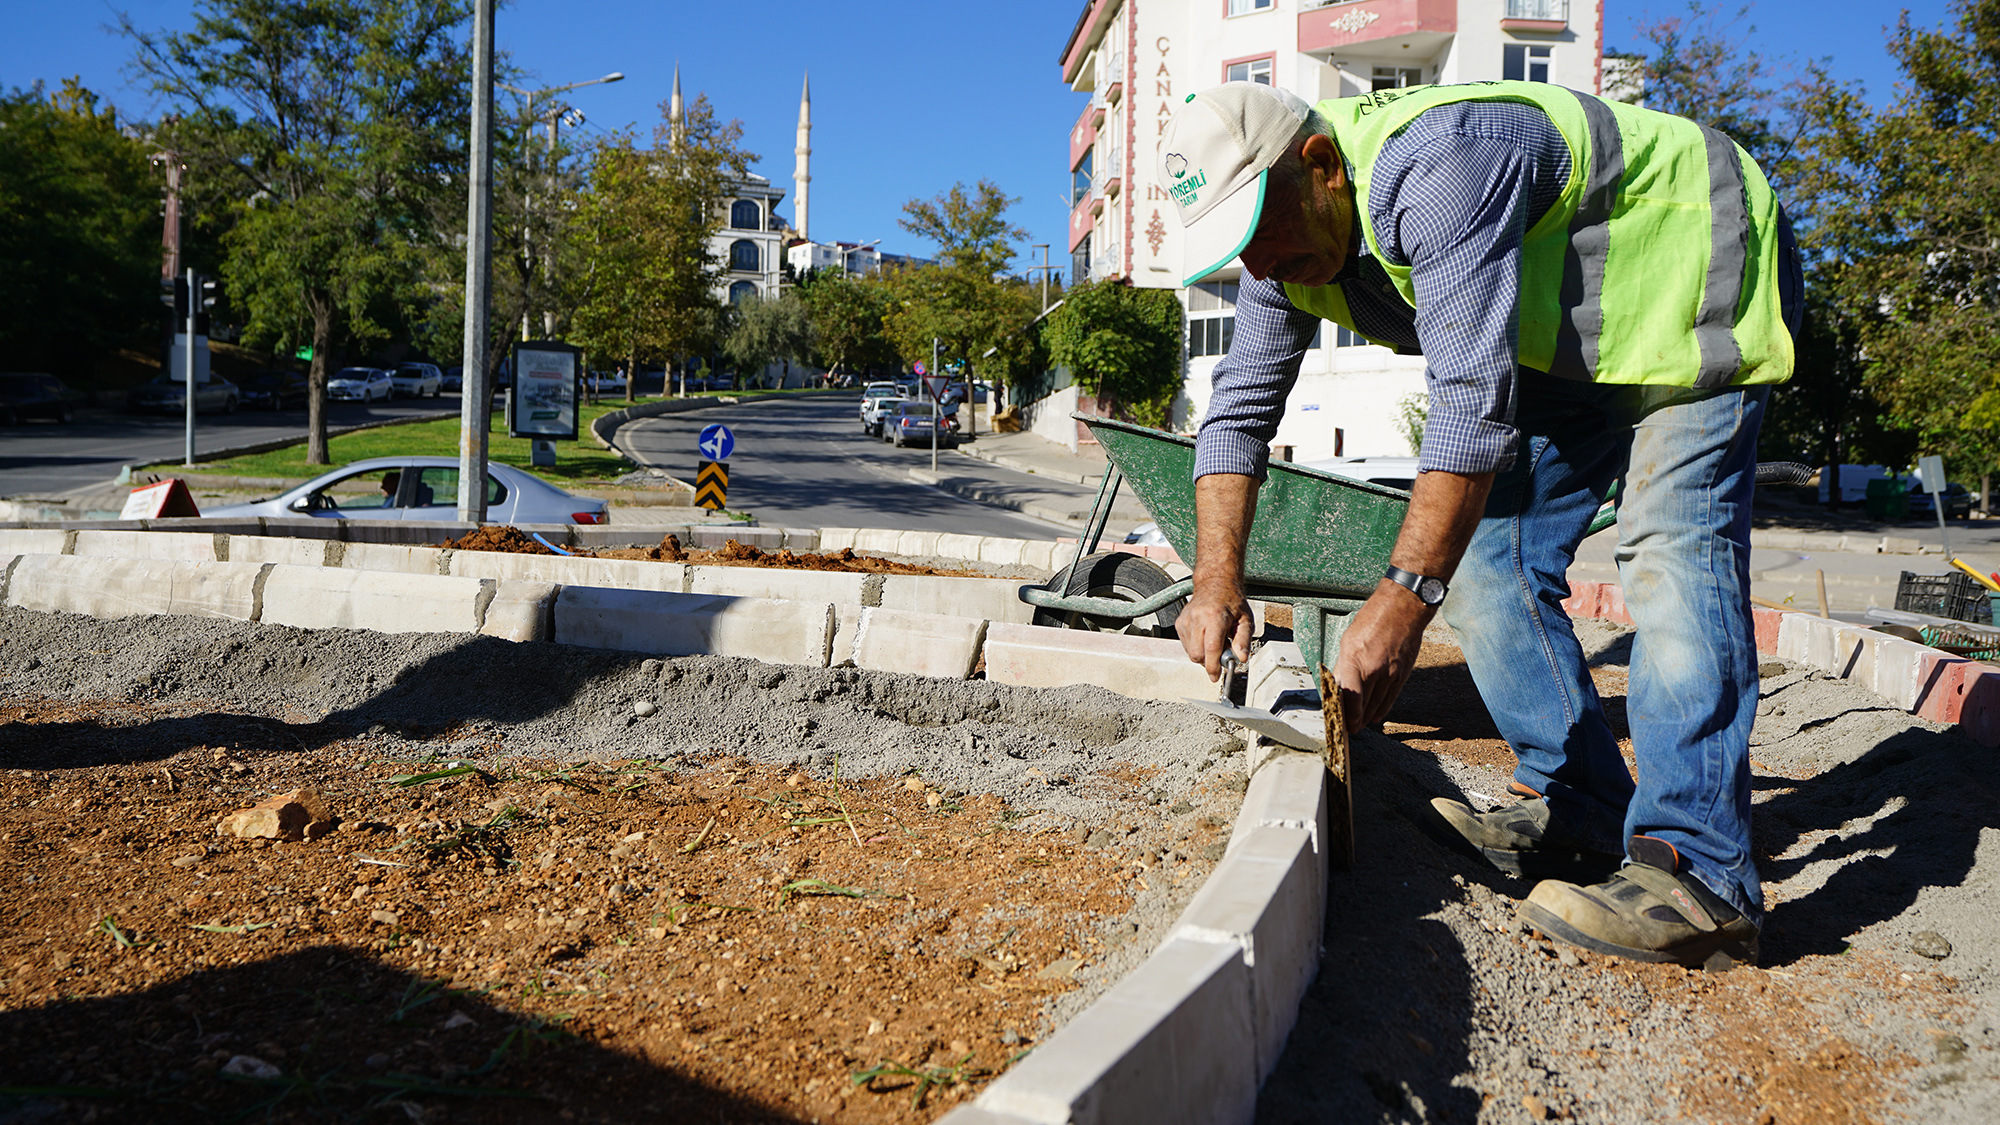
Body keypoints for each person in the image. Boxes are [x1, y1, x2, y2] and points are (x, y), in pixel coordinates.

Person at [1162, 81, 1801, 969]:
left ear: (1320, 165)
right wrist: (1215, 581)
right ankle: (1582, 806)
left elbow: (1470, 405)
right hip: (1577, 338)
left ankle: (1700, 873)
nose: (1261, 267)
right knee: (1488, 563)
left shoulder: (1438, 170)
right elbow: (1236, 417)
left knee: (1669, 547)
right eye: (1240, 251)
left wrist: (1401, 600)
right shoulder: (1287, 264)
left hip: (1695, 261)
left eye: (1262, 231)